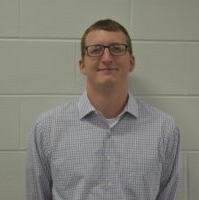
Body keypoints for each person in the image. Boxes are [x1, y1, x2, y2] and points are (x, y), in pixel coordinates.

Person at [26, 19, 181, 200]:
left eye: (116, 48)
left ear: (131, 62)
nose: (107, 58)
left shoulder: (164, 129)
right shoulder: (47, 128)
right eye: (96, 50)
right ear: (82, 64)